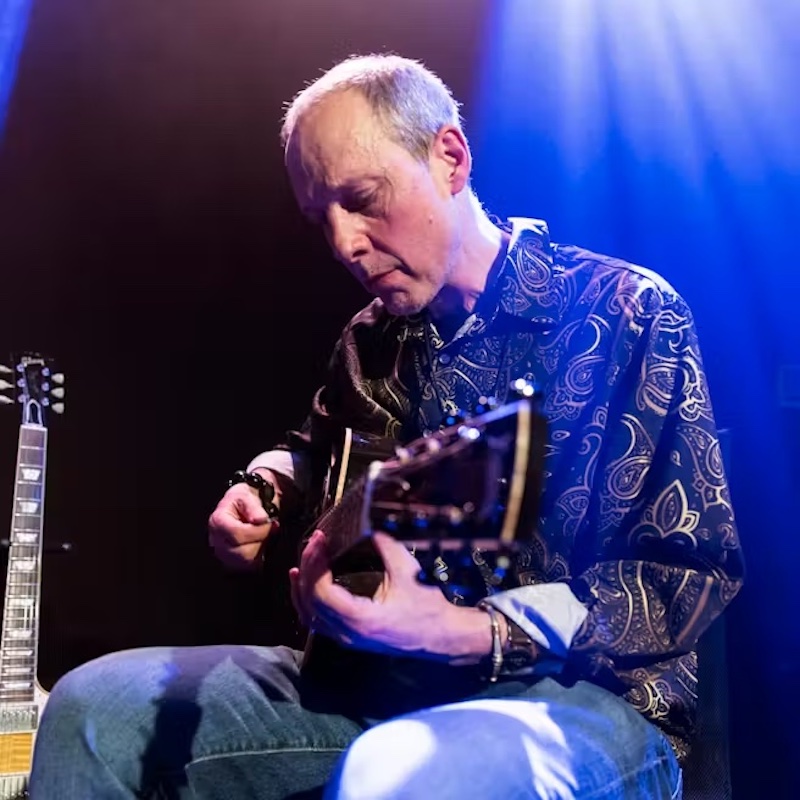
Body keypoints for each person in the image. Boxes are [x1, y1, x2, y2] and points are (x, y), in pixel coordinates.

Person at [29, 53, 744, 799]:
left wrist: (466, 631)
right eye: (321, 218)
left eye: (363, 199)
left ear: (450, 157)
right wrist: (267, 486)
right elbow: (320, 452)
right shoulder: (372, 340)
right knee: (92, 708)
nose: (343, 243)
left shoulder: (625, 312)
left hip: (586, 705)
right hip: (379, 693)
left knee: (405, 771)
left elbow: (676, 578)